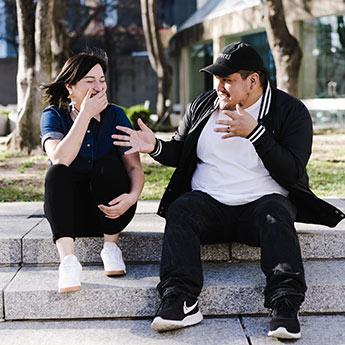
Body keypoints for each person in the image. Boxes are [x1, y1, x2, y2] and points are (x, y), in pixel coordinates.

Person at [112, 42, 345, 339]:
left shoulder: (291, 112)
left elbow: (292, 171)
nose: (219, 87)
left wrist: (255, 133)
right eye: (216, 79)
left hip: (261, 207)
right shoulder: (203, 105)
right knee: (181, 208)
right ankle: (180, 299)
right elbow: (181, 150)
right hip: (209, 204)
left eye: (227, 80)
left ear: (253, 81)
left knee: (276, 212)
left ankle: (284, 305)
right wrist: (155, 146)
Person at [40, 50, 144, 294]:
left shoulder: (116, 115)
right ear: (70, 86)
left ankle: (111, 247)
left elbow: (134, 167)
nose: (99, 86)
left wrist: (132, 197)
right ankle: (68, 262)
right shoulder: (53, 115)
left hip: (112, 213)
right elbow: (59, 157)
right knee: (56, 173)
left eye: (102, 80)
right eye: (89, 81)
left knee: (109, 164)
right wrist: (85, 114)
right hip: (70, 217)